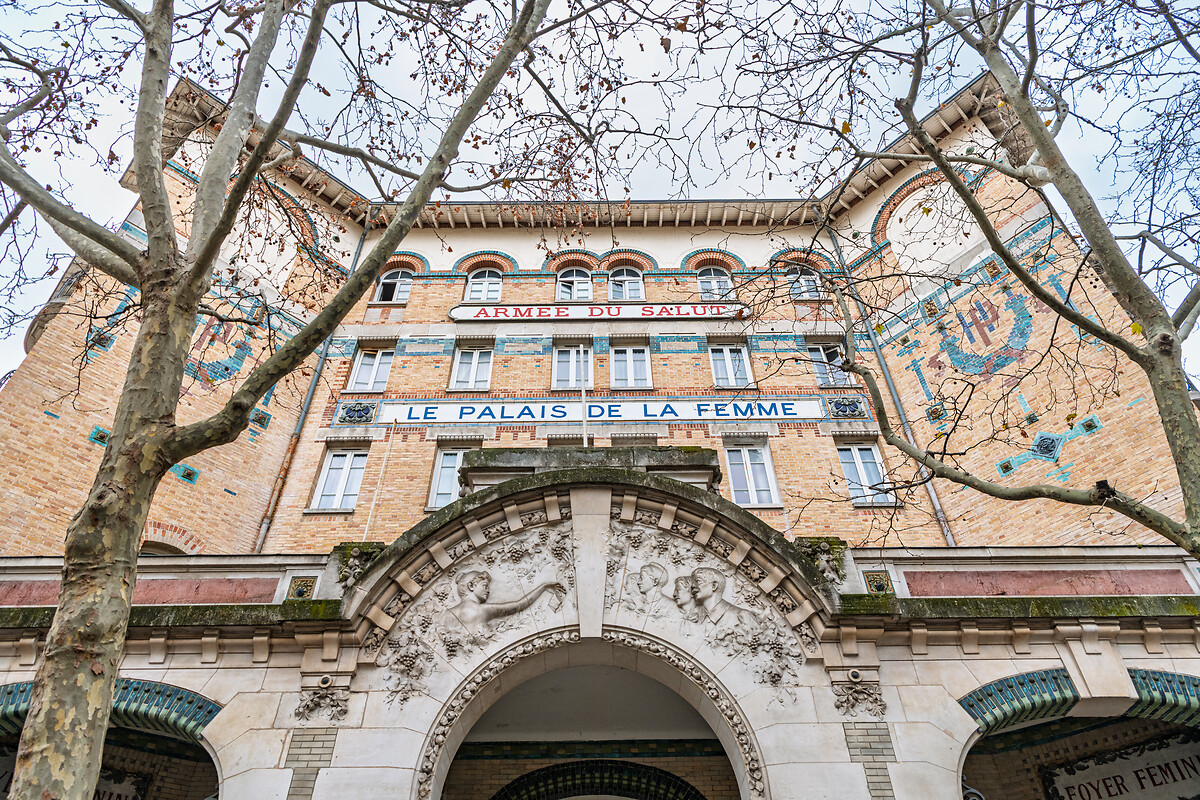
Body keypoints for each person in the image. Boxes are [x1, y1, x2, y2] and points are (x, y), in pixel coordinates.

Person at [441, 570, 564, 636]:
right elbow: (519, 605)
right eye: (484, 586)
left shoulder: (447, 613)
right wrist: (543, 587)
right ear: (471, 586)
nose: (488, 591)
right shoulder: (481, 610)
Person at [690, 567, 761, 630]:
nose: (693, 586)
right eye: (692, 583)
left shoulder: (741, 616)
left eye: (698, 581)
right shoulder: (695, 619)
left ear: (714, 585)